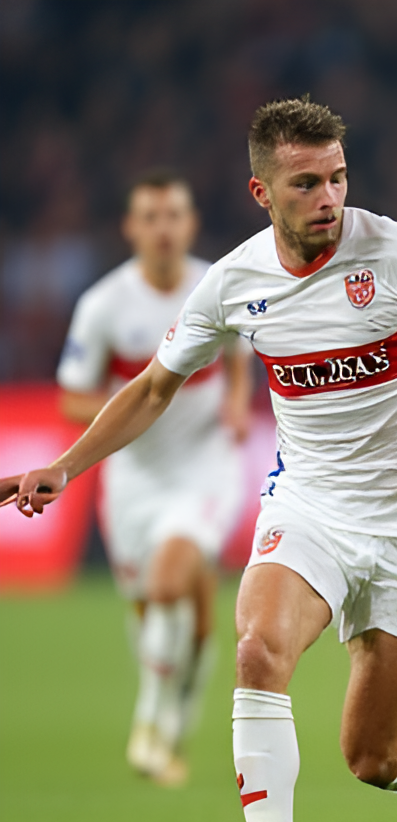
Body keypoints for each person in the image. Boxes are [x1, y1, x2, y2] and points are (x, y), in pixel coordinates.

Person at [4, 97, 397, 822]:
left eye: (338, 177)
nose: (328, 197)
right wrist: (65, 466)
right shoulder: (235, 281)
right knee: (258, 649)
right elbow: (151, 389)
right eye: (306, 182)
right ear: (261, 191)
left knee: (372, 755)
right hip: (307, 505)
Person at [56, 170, 251, 788]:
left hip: (205, 467)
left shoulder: (215, 285)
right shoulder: (104, 305)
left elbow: (243, 353)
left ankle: (151, 722)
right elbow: (69, 398)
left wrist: (238, 403)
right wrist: (137, 404)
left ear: (190, 224)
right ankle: (178, 723)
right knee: (163, 611)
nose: (162, 229)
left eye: (173, 216)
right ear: (131, 227)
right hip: (133, 478)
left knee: (170, 578)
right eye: (150, 217)